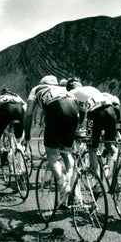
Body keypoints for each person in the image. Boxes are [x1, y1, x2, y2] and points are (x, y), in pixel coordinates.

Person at [23, 75, 80, 206]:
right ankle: (72, 189)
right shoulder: (63, 89)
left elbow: (29, 113)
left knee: (52, 155)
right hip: (74, 110)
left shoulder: (37, 89)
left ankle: (62, 184)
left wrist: (27, 135)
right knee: (67, 152)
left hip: (56, 109)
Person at [66, 78, 119, 181]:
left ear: (69, 88)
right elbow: (81, 114)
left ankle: (96, 177)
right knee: (109, 143)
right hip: (111, 110)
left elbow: (75, 114)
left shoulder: (71, 93)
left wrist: (74, 130)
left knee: (92, 147)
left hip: (95, 113)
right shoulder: (90, 89)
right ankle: (120, 159)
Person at [0, 88, 27, 165]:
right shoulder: (16, 96)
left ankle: (3, 150)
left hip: (5, 110)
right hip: (19, 110)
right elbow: (26, 108)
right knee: (18, 140)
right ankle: (20, 150)